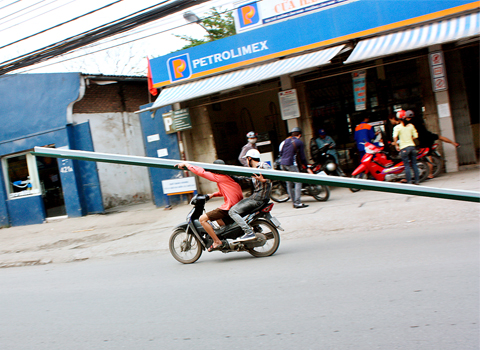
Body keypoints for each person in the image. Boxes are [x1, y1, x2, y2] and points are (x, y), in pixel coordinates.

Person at [175, 160, 243, 251]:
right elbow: (225, 191)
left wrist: (186, 164)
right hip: (235, 205)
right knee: (217, 216)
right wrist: (212, 195)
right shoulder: (227, 177)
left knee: (202, 219)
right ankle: (225, 235)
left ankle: (217, 241)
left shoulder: (219, 177)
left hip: (230, 206)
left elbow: (201, 172)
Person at [229, 149, 272, 241]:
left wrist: (264, 180)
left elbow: (273, 176)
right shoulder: (253, 170)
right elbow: (244, 179)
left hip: (258, 199)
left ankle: (248, 232)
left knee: (232, 212)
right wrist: (230, 173)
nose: (246, 161)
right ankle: (256, 227)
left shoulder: (262, 165)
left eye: (246, 159)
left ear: (249, 158)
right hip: (257, 197)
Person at [406, 110, 459, 179]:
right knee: (440, 137)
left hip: (424, 140)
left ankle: (430, 174)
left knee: (428, 156)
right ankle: (454, 143)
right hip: (428, 134)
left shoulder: (410, 124)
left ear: (407, 117)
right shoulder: (419, 119)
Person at [279, 127, 309, 209]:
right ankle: (297, 203)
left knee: (289, 183)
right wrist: (306, 166)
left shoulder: (285, 141)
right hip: (291, 164)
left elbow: (281, 152)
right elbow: (302, 157)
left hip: (282, 164)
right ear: (299, 135)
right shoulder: (299, 142)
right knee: (298, 181)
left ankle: (293, 201)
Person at [393, 110, 420, 185]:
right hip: (412, 147)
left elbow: (395, 137)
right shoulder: (411, 126)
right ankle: (417, 181)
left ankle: (409, 181)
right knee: (414, 164)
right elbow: (416, 136)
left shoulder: (397, 127)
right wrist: (410, 138)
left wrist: (396, 145)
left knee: (407, 165)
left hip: (404, 148)